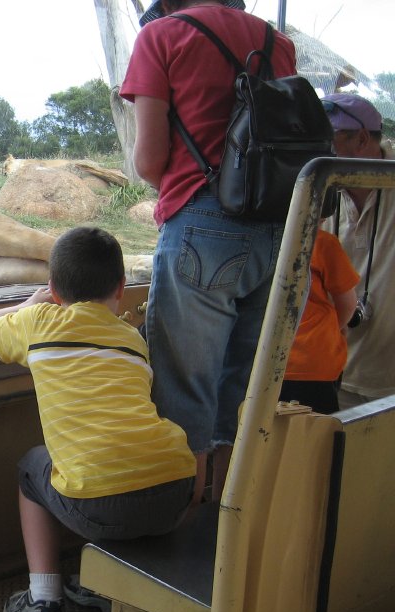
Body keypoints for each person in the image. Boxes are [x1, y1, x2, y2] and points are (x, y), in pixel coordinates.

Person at [0, 227, 195, 612]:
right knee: (121, 461)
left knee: (33, 470)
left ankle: (43, 603)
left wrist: (27, 305)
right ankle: (106, 589)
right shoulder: (132, 338)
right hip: (177, 493)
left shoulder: (38, 322)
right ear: (121, 287)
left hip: (99, 504)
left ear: (54, 289)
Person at [119, 0, 298, 505]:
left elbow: (150, 159)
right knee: (241, 390)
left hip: (203, 221)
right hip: (280, 228)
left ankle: (185, 526)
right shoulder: (275, 42)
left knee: (184, 391)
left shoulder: (162, 37)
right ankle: (229, 523)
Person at [320, 92, 395, 409]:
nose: (319, 148)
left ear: (362, 138)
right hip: (333, 372)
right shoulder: (318, 187)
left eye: (327, 138)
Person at [279, 229, 359, 414]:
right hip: (312, 360)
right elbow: (348, 303)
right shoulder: (321, 242)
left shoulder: (256, 238)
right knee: (318, 436)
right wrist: (333, 328)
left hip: (261, 360)